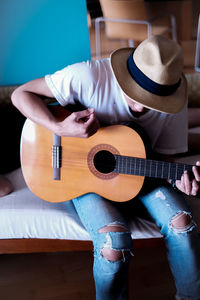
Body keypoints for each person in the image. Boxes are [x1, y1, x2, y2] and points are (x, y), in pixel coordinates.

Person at [11, 35, 200, 300]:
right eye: (136, 93)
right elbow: (21, 95)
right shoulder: (87, 76)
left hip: (142, 172)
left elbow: (165, 161)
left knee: (183, 224)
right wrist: (59, 127)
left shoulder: (174, 109)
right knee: (114, 244)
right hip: (77, 175)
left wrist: (180, 179)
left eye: (151, 100)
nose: (139, 105)